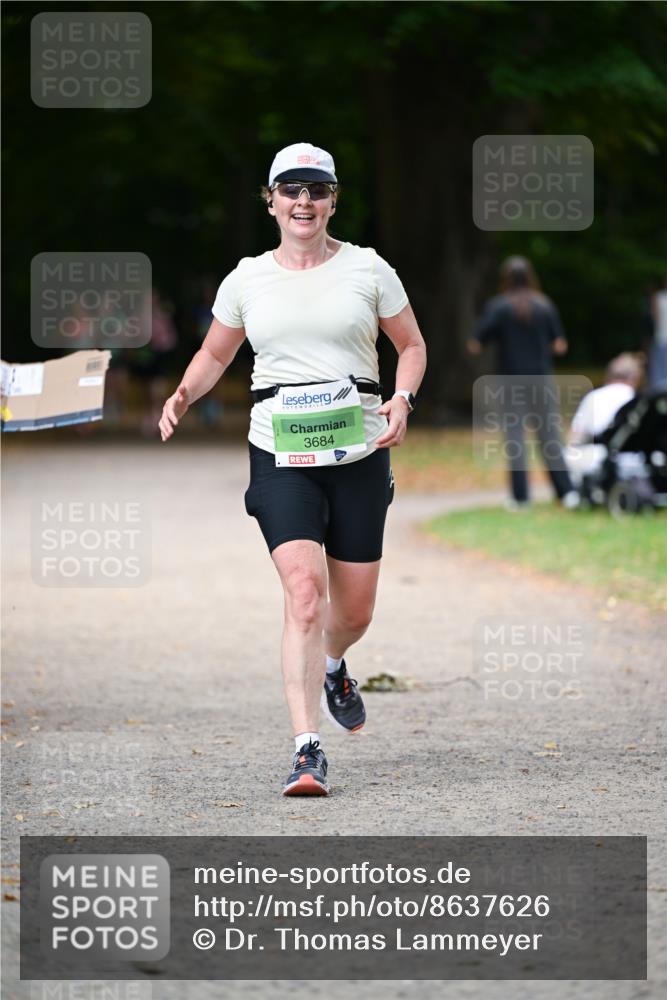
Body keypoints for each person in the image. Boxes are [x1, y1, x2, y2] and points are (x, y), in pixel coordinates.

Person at [159, 142, 427, 797]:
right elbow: (214, 354)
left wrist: (402, 397)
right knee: (304, 595)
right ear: (271, 200)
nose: (302, 201)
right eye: (290, 189)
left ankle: (335, 662)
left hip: (359, 452)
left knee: (354, 610)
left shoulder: (367, 270)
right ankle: (307, 750)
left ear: (332, 199)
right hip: (280, 454)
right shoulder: (247, 278)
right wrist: (183, 393)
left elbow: (411, 345)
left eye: (315, 189)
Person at [467, 256, 578, 509]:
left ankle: (521, 498)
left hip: (510, 383)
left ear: (505, 279)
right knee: (550, 437)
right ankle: (567, 493)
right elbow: (560, 344)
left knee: (515, 438)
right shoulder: (544, 305)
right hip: (541, 380)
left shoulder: (498, 307)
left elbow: (475, 344)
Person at [564, 352, 644, 488]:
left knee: (567, 455)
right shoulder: (640, 401)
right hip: (635, 461)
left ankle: (574, 494)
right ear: (634, 378)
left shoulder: (594, 397)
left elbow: (575, 436)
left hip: (599, 458)